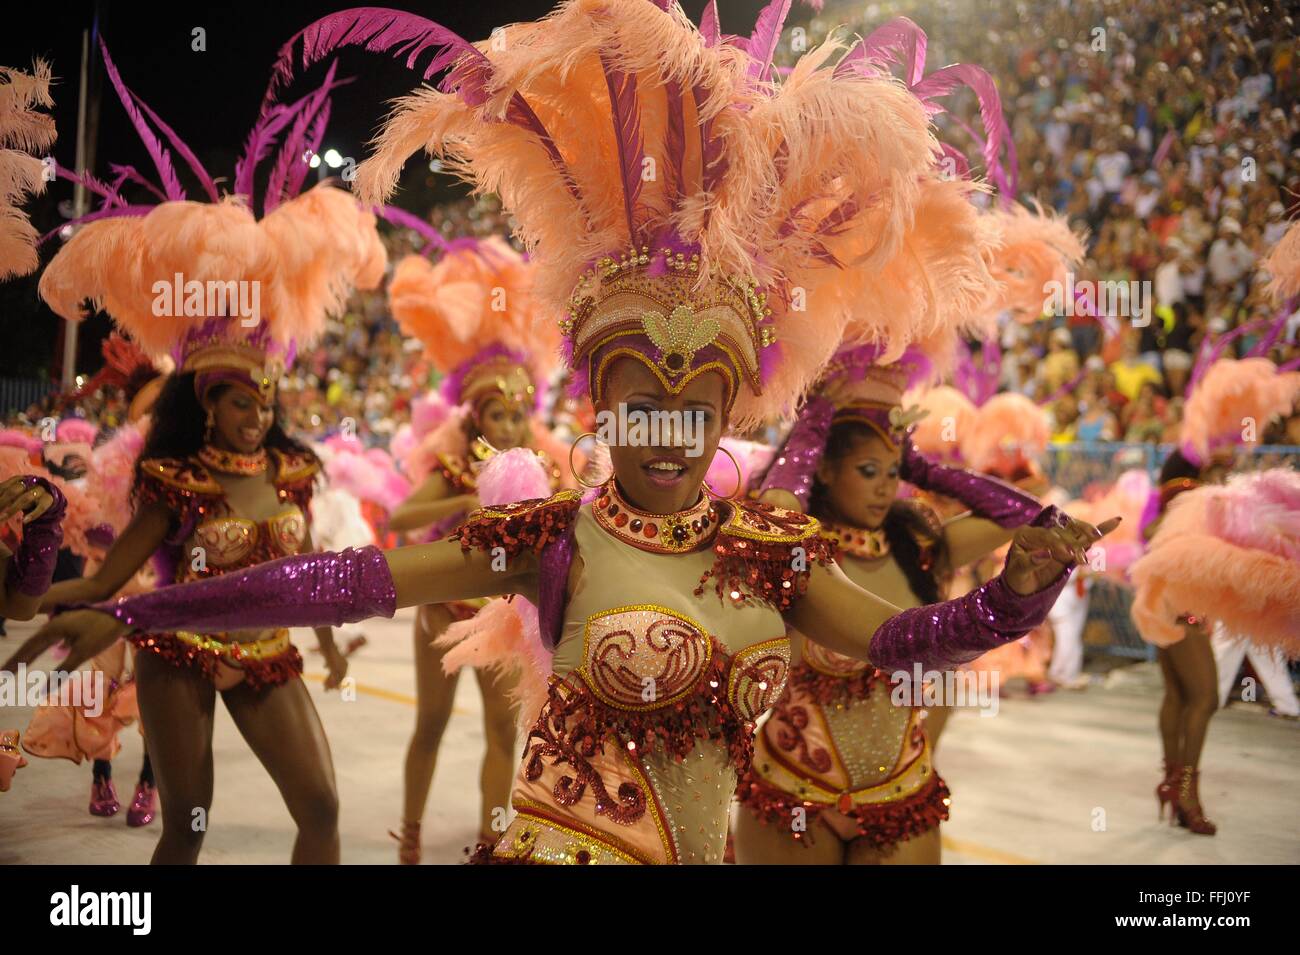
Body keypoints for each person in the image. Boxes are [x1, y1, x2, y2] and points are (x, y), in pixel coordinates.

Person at [10, 0, 1115, 865]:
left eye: (695, 401)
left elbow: (907, 646)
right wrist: (144, 604)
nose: (669, 431)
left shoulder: (770, 556)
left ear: (730, 406)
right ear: (603, 400)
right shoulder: (550, 538)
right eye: (641, 395)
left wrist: (1022, 591)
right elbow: (345, 584)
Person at [1, 43, 386, 862]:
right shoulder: (176, 481)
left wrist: (325, 646)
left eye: (267, 401)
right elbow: (106, 581)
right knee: (188, 823)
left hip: (268, 655)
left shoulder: (292, 473)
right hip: (175, 654)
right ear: (209, 404)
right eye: (245, 401)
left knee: (320, 810)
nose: (260, 415)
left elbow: (305, 571)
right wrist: (29, 594)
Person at [382, 234, 575, 863]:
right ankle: (409, 835)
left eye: (519, 416)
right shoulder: (456, 466)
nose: (511, 427)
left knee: (502, 730)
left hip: (498, 619)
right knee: (430, 728)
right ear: (475, 419)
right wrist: (462, 505)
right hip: (443, 613)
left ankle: (493, 840)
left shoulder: (540, 471)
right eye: (499, 416)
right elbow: (403, 514)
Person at [1132, 356, 1299, 836]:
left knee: (1179, 694)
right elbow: (1174, 528)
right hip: (1177, 593)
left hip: (1167, 590)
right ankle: (1186, 791)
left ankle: (1171, 783)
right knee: (1204, 696)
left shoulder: (1187, 467)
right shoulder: (1187, 470)